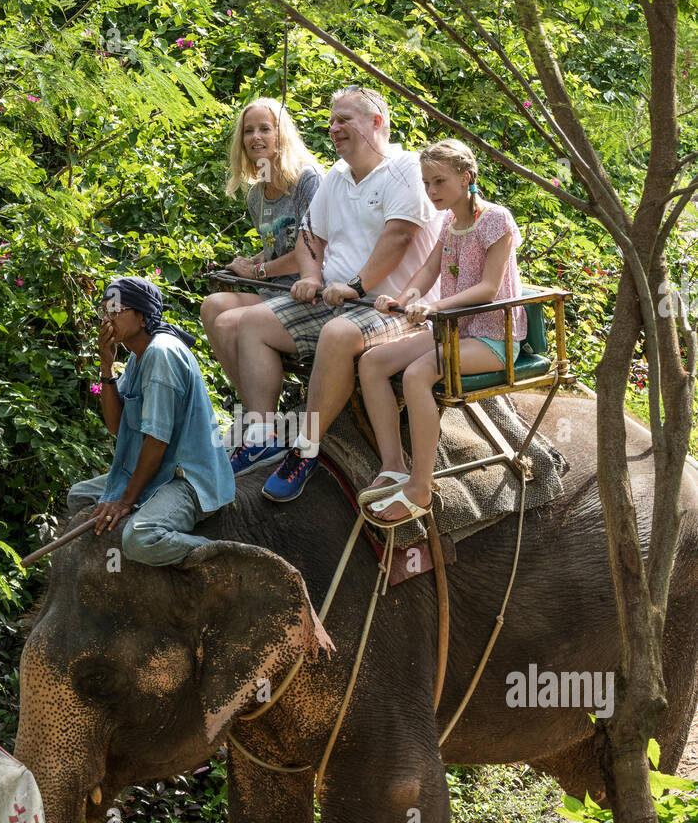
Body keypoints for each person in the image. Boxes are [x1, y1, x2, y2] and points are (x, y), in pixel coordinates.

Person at [229, 85, 443, 501]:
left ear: (377, 123)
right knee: (252, 321)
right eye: (332, 120)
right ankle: (262, 434)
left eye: (345, 120)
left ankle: (306, 449)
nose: (334, 128)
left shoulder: (405, 170)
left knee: (339, 333)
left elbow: (398, 238)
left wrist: (357, 285)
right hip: (338, 299)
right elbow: (310, 233)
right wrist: (309, 274)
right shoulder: (338, 176)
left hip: (394, 305)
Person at [357, 139, 527, 525]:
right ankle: (393, 465)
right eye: (426, 183)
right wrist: (402, 298)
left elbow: (487, 288)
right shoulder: (450, 221)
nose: (432, 191)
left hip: (491, 337)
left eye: (439, 182)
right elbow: (429, 271)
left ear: (466, 178)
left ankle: (421, 488)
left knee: (418, 374)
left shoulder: (496, 219)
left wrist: (432, 306)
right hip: (453, 330)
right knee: (372, 362)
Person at [67, 276, 235, 565]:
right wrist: (106, 365)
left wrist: (124, 502)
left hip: (186, 479)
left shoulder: (161, 353)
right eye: (104, 311)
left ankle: (221, 553)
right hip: (159, 473)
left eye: (116, 310)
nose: (107, 318)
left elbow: (157, 442)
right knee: (78, 496)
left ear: (142, 316)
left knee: (141, 539)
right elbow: (117, 427)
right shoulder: (136, 356)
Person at [201, 97, 323, 392]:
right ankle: (255, 404)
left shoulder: (307, 180)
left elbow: (310, 250)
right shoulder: (256, 196)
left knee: (229, 323)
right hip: (276, 292)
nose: (256, 137)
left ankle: (261, 417)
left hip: (306, 292)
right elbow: (278, 246)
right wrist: (249, 263)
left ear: (281, 134)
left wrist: (259, 271)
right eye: (248, 130)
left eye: (265, 129)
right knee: (211, 306)